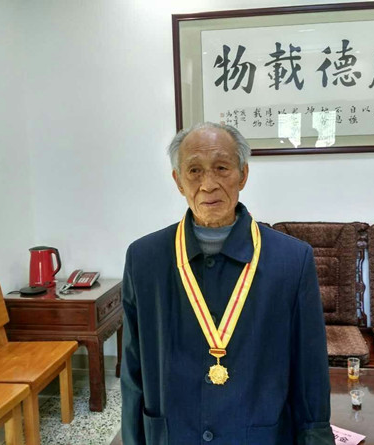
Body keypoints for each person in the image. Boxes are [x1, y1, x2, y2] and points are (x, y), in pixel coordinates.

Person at [121, 122, 334, 445]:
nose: (208, 184)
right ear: (178, 181)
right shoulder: (144, 259)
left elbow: (310, 372)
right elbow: (132, 369)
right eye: (194, 171)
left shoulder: (292, 260)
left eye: (221, 168)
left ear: (243, 175)